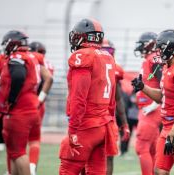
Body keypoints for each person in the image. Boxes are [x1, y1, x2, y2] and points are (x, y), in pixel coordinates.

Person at [132, 29, 174, 175]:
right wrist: (143, 87)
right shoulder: (167, 67)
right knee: (160, 171)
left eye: (161, 48)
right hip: (169, 127)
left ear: (171, 48)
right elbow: (163, 97)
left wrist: (173, 134)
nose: (158, 52)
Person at [59, 18, 117, 175]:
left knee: (67, 170)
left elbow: (79, 97)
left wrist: (72, 129)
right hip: (103, 125)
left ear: (84, 37)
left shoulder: (83, 56)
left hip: (86, 125)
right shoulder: (108, 57)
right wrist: (110, 122)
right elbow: (112, 98)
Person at [0, 30, 53, 175]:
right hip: (31, 108)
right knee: (15, 152)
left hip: (19, 110)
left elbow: (18, 76)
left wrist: (11, 100)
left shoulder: (17, 57)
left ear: (13, 43)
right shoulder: (32, 57)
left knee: (18, 153)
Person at [133, 32, 162, 175]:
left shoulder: (154, 58)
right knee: (152, 149)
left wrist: (155, 104)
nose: (140, 47)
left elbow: (164, 83)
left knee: (141, 146)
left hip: (151, 109)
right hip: (148, 108)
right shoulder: (150, 59)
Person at [101, 39, 130, 175]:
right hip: (107, 120)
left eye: (109, 51)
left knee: (100, 158)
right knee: (108, 158)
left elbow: (118, 99)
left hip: (97, 119)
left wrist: (124, 123)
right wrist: (124, 124)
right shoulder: (116, 68)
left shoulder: (89, 63)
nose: (107, 54)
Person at [28, 41, 54, 175]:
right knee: (34, 139)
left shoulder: (28, 59)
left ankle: (12, 170)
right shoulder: (47, 63)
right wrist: (39, 100)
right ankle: (32, 169)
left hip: (24, 104)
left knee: (18, 140)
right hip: (39, 104)